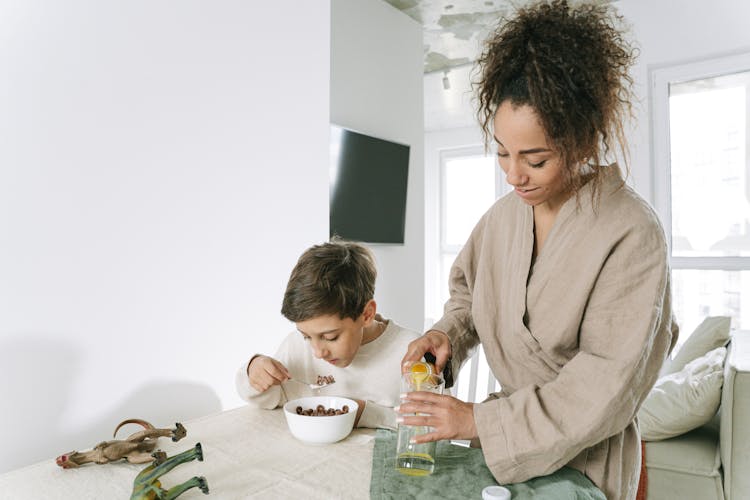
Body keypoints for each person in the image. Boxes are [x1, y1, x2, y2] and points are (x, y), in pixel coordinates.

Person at [397, 1, 679, 499]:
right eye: (503, 152)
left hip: (586, 460)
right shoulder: (502, 219)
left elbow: (603, 387)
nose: (513, 175)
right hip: (504, 455)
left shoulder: (632, 234)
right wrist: (447, 335)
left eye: (536, 159)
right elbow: (468, 296)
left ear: (583, 142)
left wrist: (480, 421)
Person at [235, 239, 421, 429]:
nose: (317, 352)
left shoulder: (412, 353)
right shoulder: (296, 346)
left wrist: (366, 413)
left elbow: (433, 427)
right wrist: (253, 370)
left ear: (366, 314)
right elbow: (269, 398)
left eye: (330, 337)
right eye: (306, 336)